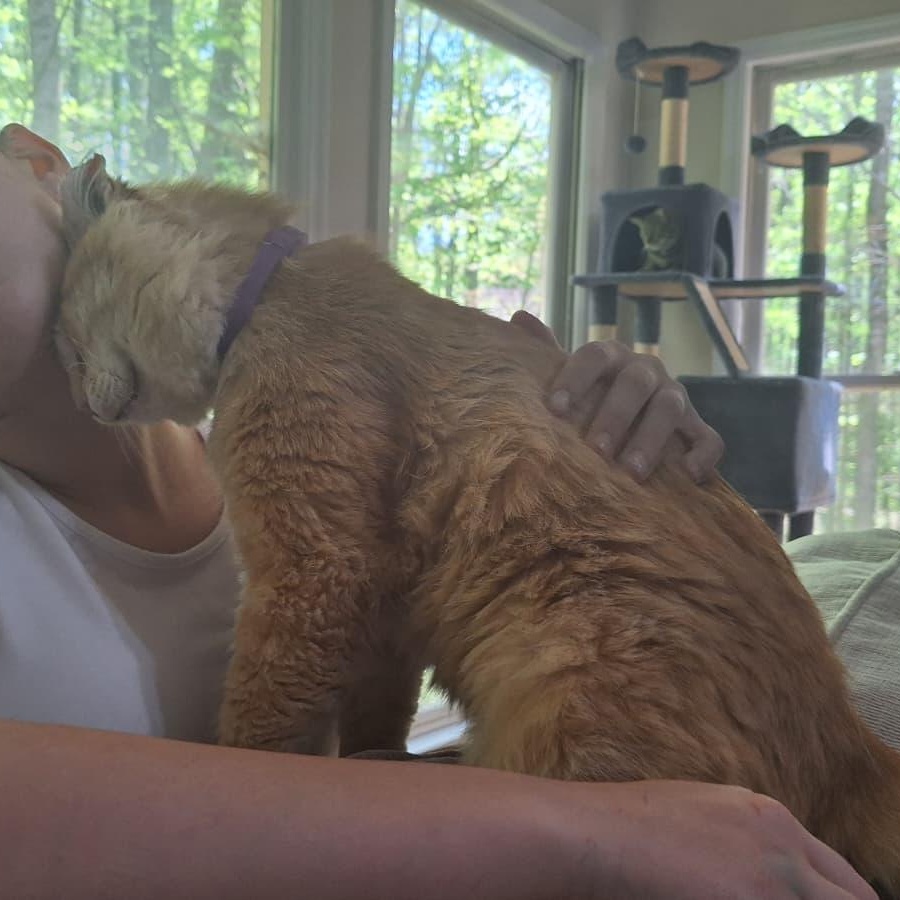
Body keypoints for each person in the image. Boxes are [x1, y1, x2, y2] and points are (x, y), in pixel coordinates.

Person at [0, 123, 879, 900]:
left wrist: (624, 439)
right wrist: (564, 829)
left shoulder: (282, 394)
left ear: (42, 165)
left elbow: (346, 600)